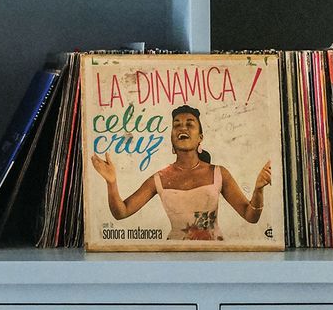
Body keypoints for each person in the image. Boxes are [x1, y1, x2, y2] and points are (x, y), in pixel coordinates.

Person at [88, 101, 272, 242]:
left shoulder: (219, 173)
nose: (182, 127)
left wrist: (258, 190)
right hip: (174, 256)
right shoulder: (158, 178)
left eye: (190, 124)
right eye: (177, 124)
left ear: (200, 138)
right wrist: (111, 182)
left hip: (214, 257)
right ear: (171, 138)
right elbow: (122, 212)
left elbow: (251, 216)